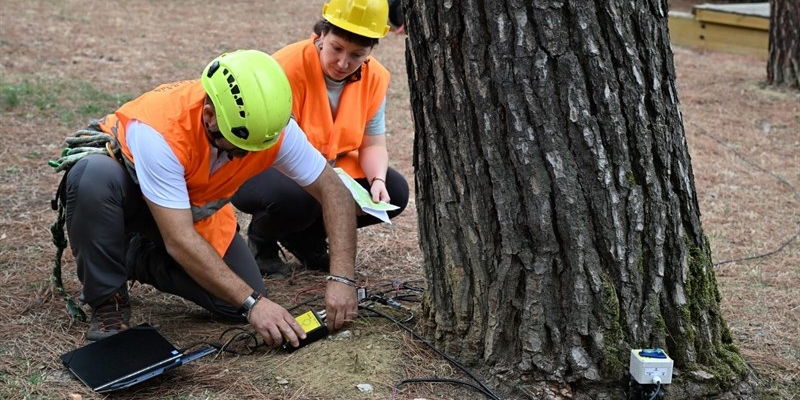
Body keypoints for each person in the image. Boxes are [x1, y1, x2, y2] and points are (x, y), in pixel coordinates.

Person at [52, 49, 359, 344]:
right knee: (92, 177)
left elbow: (334, 191)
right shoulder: (161, 130)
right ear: (209, 115)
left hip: (190, 212)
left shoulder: (270, 130)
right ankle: (108, 300)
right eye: (238, 146)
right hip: (128, 196)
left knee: (232, 303)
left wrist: (342, 278)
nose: (244, 156)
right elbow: (179, 238)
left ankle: (133, 254)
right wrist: (254, 304)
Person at [231, 0, 409, 278]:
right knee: (298, 198)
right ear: (321, 34)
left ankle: (305, 239)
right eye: (337, 48)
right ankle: (262, 240)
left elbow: (373, 143)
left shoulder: (375, 77)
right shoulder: (284, 68)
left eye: (357, 55)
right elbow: (272, 147)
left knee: (395, 192)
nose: (343, 62)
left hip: (328, 164)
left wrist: (377, 181)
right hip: (266, 166)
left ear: (371, 50)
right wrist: (326, 183)